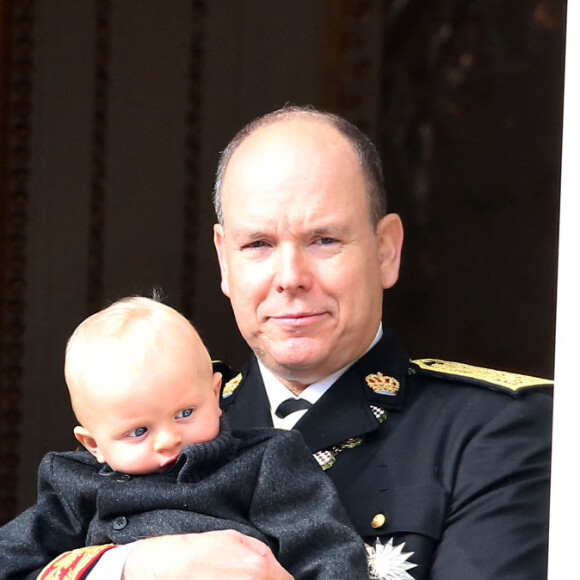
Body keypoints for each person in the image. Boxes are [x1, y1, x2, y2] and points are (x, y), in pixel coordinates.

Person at [35, 106, 552, 580]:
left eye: (324, 240)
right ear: (224, 261)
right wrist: (131, 567)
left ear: (386, 251)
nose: (290, 277)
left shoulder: (498, 429)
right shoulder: (165, 417)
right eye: (258, 244)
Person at [0, 296, 368, 580]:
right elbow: (11, 558)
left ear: (215, 393)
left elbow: (327, 550)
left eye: (185, 413)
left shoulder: (263, 461)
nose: (168, 439)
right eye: (139, 431)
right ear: (93, 444)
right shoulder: (76, 485)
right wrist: (122, 566)